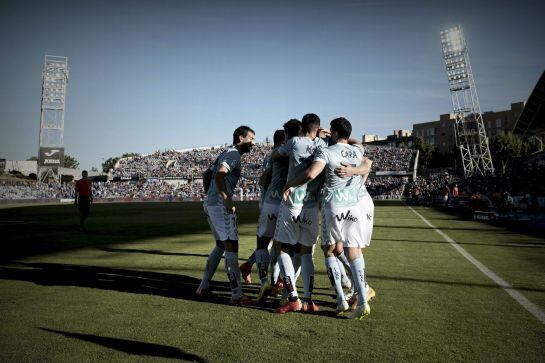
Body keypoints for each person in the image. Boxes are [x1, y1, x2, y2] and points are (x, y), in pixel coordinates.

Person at [283, 117, 374, 320]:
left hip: (335, 207)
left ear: (332, 132)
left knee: (329, 251)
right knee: (354, 251)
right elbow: (365, 160)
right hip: (355, 207)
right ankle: (362, 300)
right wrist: (354, 170)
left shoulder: (327, 151)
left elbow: (310, 174)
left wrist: (290, 185)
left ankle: (341, 300)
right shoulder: (357, 151)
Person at [272, 113, 327, 313]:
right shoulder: (323, 146)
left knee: (280, 248)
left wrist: (288, 184)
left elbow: (277, 155)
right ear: (318, 128)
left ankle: (293, 298)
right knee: (305, 253)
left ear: (302, 127)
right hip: (311, 207)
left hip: (292, 204)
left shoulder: (294, 141)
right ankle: (309, 300)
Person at [195, 125, 256, 306]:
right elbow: (220, 175)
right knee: (231, 247)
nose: (253, 143)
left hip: (211, 204)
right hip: (221, 206)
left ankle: (203, 285)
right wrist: (226, 198)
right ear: (240, 138)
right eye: (251, 139)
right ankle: (237, 295)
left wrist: (210, 196)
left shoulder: (225, 152)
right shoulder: (234, 155)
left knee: (221, 244)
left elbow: (207, 174)